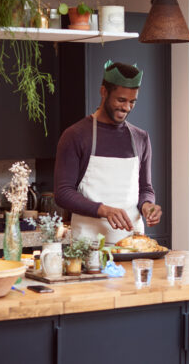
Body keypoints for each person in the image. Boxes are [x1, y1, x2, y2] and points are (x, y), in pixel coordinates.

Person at [54, 60, 163, 245]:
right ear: (103, 92)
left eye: (132, 101)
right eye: (121, 100)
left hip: (132, 243)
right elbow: (63, 193)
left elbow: (145, 188)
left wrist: (147, 206)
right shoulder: (75, 135)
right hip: (89, 245)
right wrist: (104, 210)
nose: (127, 107)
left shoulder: (141, 138)